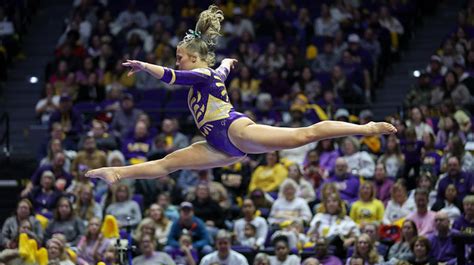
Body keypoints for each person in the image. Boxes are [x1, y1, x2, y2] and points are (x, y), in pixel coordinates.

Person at [85, 5, 396, 185]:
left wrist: (144, 65)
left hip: (235, 129)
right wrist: (227, 63)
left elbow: (172, 76)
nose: (177, 60)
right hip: (220, 146)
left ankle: (365, 127)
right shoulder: (209, 74)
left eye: (180, 56)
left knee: (305, 135)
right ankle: (116, 172)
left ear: (193, 58)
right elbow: (219, 72)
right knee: (169, 163)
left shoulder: (199, 74)